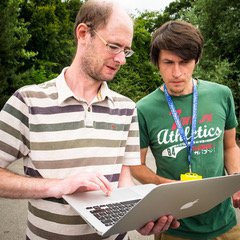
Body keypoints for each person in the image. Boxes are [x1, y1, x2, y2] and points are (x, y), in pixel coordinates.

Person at [0, 1, 181, 240]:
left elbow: (123, 181)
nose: (121, 59)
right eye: (114, 46)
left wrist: (139, 216)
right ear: (83, 34)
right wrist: (57, 186)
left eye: (126, 50)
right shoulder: (28, 101)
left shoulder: (127, 108)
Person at [130, 20, 240, 240]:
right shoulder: (143, 109)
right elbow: (136, 167)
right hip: (174, 225)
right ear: (157, 63)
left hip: (225, 223)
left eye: (185, 62)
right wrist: (169, 188)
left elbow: (230, 146)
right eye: (168, 62)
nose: (177, 72)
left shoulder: (221, 94)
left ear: (196, 60)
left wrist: (236, 178)